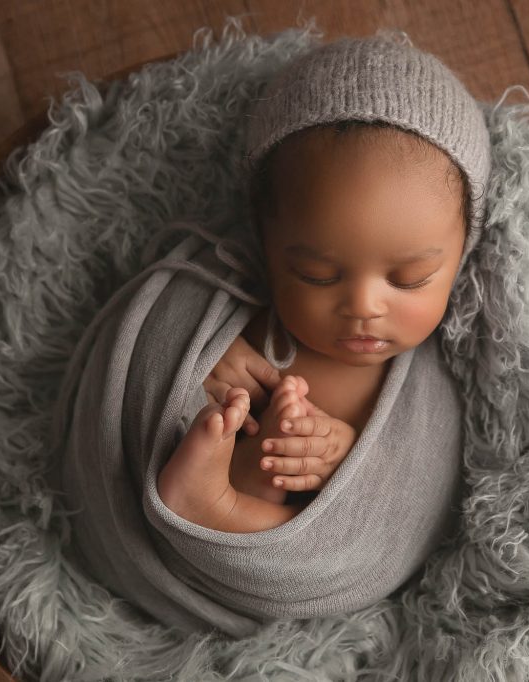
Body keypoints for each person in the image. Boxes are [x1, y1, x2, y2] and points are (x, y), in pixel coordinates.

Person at [156, 33, 491, 533]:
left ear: (462, 252)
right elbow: (150, 335)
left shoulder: (432, 383)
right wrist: (201, 356)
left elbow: (414, 502)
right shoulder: (234, 299)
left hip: (300, 548)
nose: (363, 306)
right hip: (181, 485)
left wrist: (347, 456)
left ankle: (217, 510)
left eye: (410, 279)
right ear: (266, 247)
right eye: (317, 275)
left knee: (298, 514)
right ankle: (227, 489)